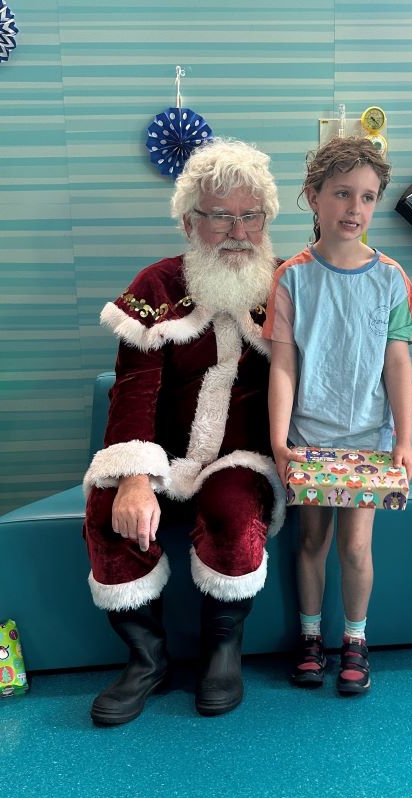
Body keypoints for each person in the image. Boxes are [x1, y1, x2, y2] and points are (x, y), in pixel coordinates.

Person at [82, 138, 285, 724]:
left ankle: (224, 650)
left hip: (242, 456)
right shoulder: (155, 287)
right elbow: (133, 389)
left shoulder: (285, 286)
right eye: (222, 215)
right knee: (104, 511)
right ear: (190, 220)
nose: (238, 230)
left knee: (232, 511)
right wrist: (136, 477)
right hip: (163, 455)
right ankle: (147, 659)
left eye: (251, 216)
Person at [264, 136, 412, 695]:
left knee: (357, 546)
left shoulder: (392, 279)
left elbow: (397, 365)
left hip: (370, 439)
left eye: (368, 197)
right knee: (313, 541)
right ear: (313, 197)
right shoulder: (292, 278)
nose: (355, 209)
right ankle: (311, 639)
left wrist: (404, 440)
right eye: (341, 194)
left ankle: (355, 640)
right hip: (310, 437)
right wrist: (280, 439)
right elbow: (282, 365)